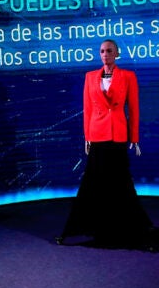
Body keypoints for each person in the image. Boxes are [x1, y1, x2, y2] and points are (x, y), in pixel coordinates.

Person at [58, 39, 152, 245]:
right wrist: (87, 137)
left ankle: (131, 228)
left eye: (109, 51)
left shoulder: (128, 76)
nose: (105, 54)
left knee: (121, 182)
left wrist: (135, 138)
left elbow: (134, 108)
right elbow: (88, 109)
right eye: (102, 51)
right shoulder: (90, 77)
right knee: (92, 182)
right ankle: (86, 227)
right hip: (97, 134)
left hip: (118, 134)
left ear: (116, 53)